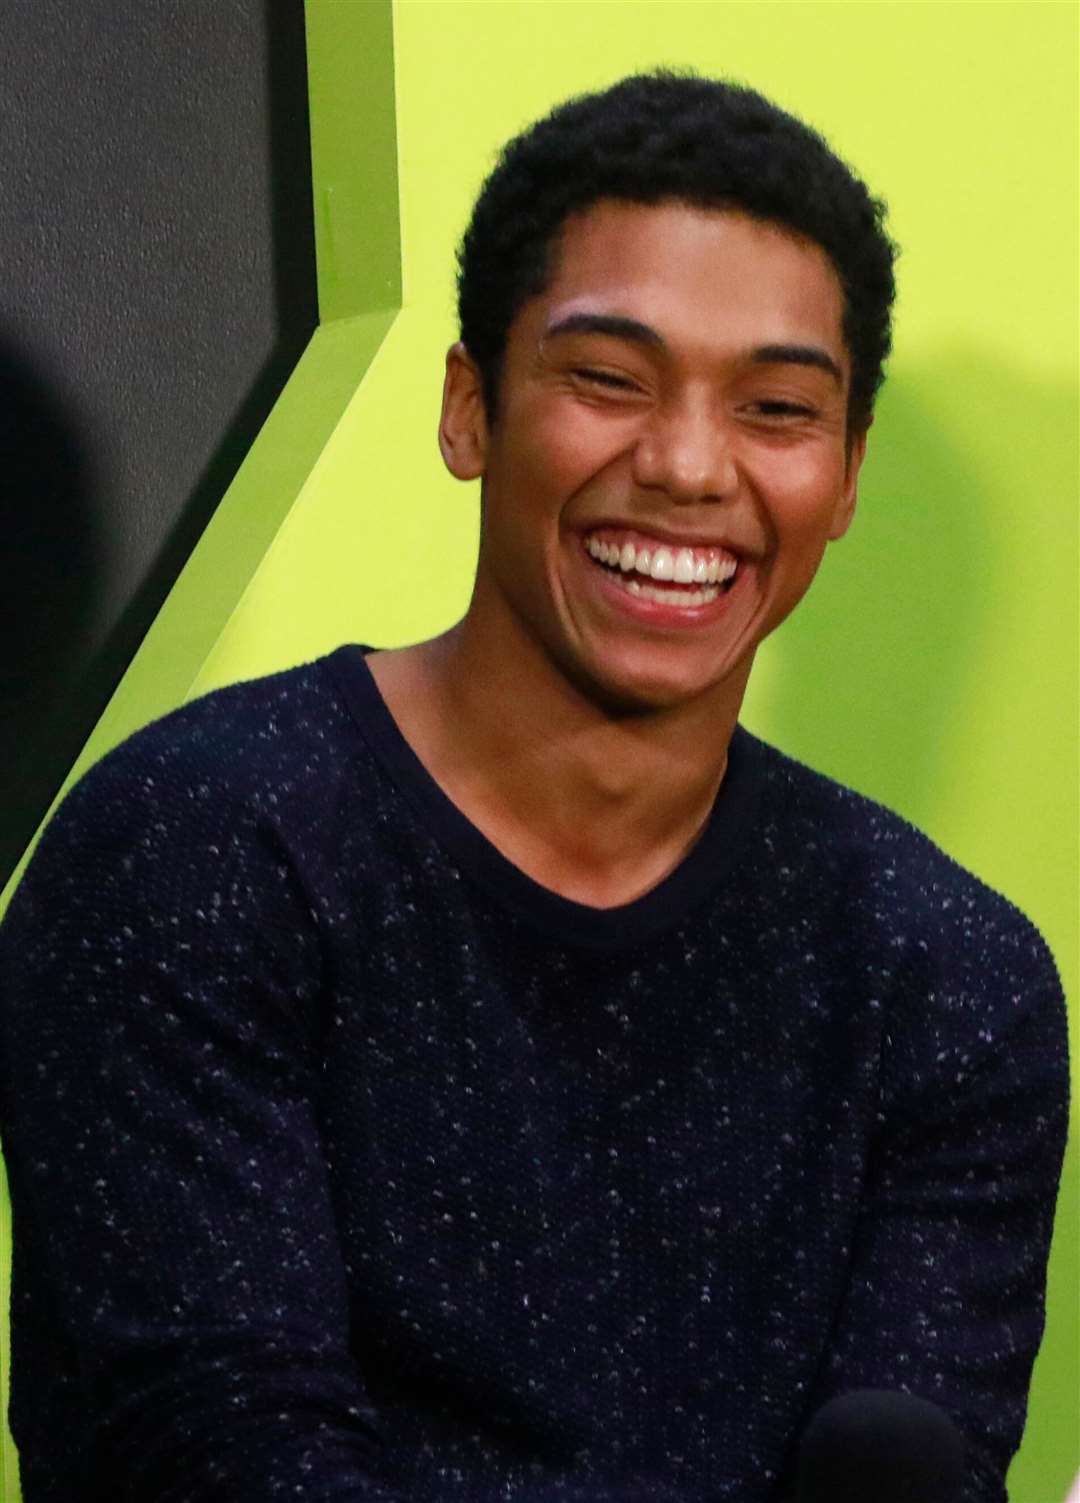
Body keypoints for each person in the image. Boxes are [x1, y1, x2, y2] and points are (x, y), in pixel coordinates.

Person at [0, 72, 1068, 1503]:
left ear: (847, 477)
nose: (690, 466)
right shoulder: (193, 853)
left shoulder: (951, 981)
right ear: (468, 412)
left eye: (776, 407)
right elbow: (216, 1446)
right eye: (610, 379)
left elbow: (907, 1456)